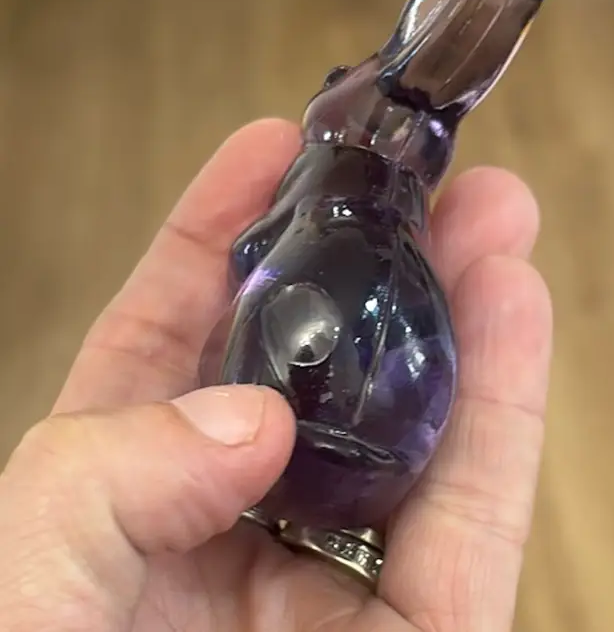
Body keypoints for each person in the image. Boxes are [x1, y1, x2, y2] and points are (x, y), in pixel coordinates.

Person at [0, 118, 552, 631]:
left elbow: (251, 254)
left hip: (297, 459)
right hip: (350, 482)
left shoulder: (326, 221)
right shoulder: (363, 236)